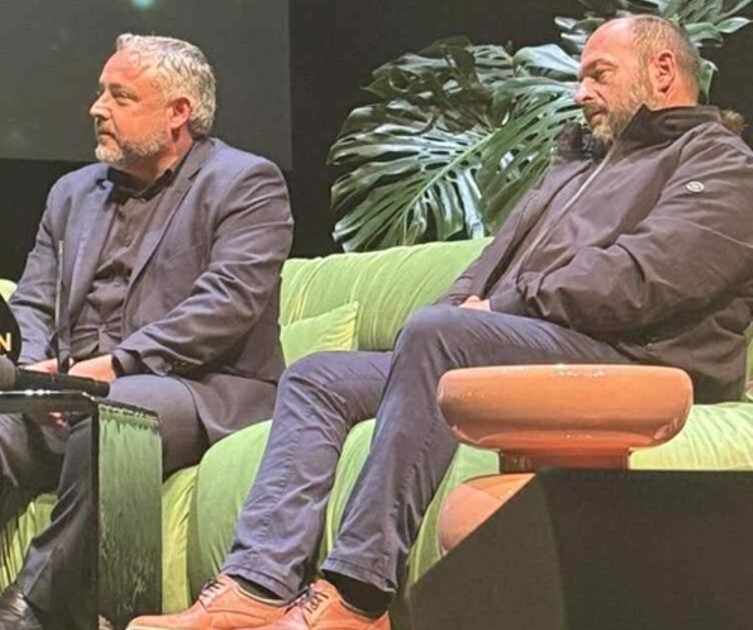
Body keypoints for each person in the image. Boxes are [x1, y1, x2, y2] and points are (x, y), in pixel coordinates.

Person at [129, 14, 753, 630]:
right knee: (320, 377)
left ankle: (357, 596)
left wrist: (497, 310)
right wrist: (455, 310)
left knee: (442, 336)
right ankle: (255, 586)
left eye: (599, 74)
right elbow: (489, 267)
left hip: (632, 358)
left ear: (662, 70)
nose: (579, 93)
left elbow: (646, 276)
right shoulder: (578, 165)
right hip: (532, 343)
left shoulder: (718, 160)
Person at [0, 34, 293, 630]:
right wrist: (32, 373)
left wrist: (115, 366)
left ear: (178, 112)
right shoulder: (73, 193)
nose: (97, 108)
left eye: (120, 96)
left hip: (193, 390)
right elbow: (33, 301)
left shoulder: (245, 182)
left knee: (113, 411)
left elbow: (226, 303)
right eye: (100, 92)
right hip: (71, 391)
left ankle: (35, 605)